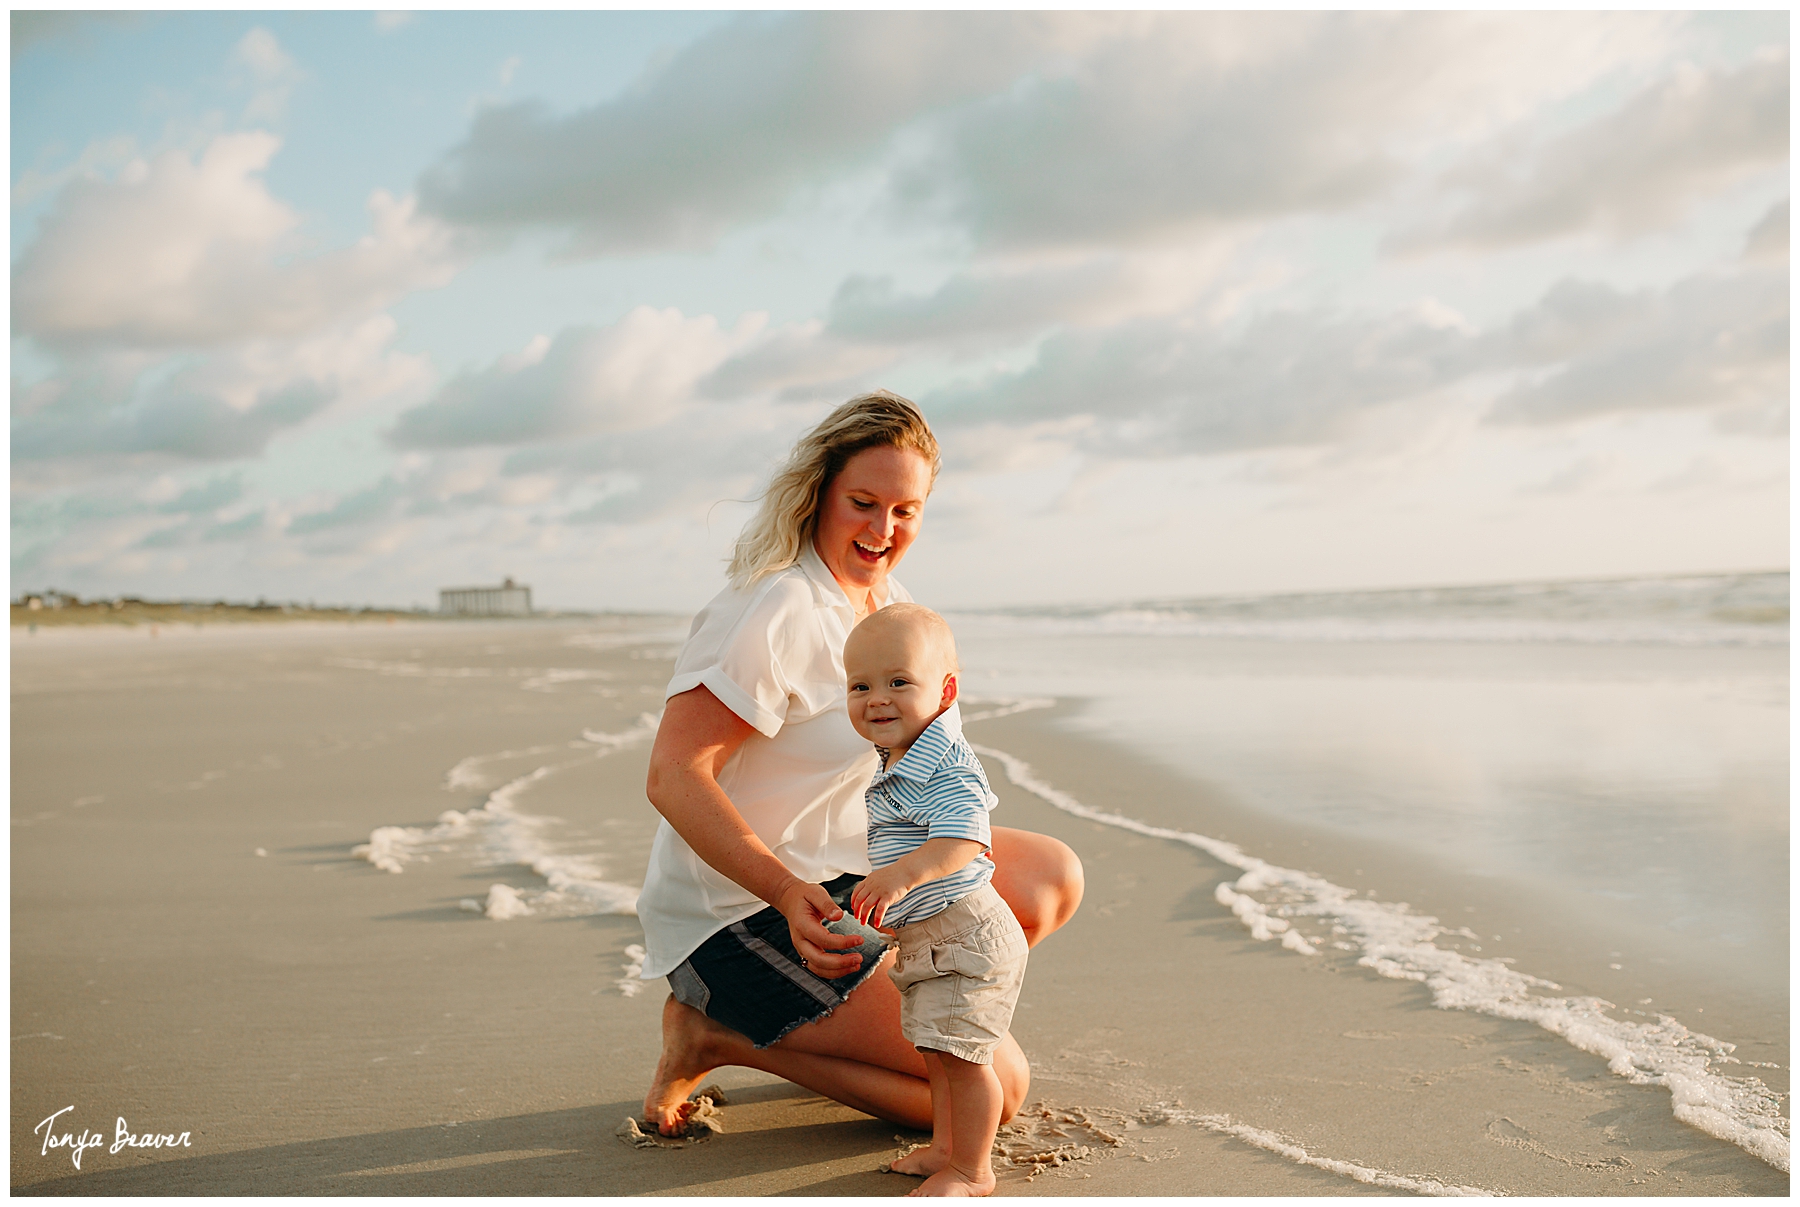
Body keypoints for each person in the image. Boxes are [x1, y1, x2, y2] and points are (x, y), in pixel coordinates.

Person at [637, 390, 1084, 1139]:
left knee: (1049, 877)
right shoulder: (775, 607)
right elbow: (673, 773)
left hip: (852, 872)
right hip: (744, 912)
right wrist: (784, 890)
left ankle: (901, 1023)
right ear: (820, 495)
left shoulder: (885, 603)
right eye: (864, 502)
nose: (883, 530)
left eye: (905, 510)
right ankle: (719, 1032)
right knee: (995, 1097)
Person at [844, 603, 1026, 1197]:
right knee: (939, 1052)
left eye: (899, 682)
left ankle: (972, 1171)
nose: (877, 698)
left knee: (967, 1059)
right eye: (860, 686)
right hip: (932, 938)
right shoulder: (899, 753)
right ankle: (947, 1150)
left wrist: (899, 877)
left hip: (966, 936)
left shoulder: (943, 762)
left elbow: (966, 837)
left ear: (945, 691)